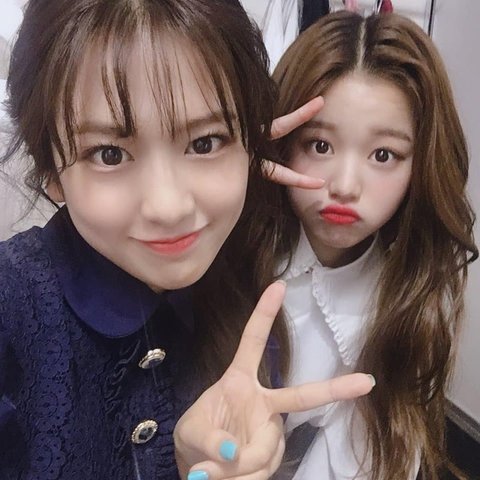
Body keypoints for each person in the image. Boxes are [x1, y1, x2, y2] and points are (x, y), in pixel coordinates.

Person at [0, 1, 375, 479]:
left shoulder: (247, 298)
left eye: (204, 142)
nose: (169, 207)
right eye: (109, 154)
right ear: (50, 171)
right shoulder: (14, 306)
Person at [268, 10, 478, 480]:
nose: (344, 186)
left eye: (383, 155)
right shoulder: (225, 261)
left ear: (420, 166)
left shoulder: (412, 298)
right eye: (319, 145)